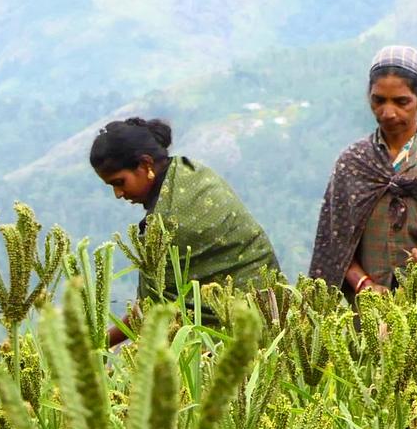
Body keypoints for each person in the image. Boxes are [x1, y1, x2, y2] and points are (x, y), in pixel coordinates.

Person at [309, 45, 417, 298]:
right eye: (379, 100)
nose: (388, 113)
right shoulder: (355, 163)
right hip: (369, 310)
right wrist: (364, 284)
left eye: (402, 102)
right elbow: (335, 244)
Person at [89, 117, 279, 345]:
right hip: (276, 313)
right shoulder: (190, 171)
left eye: (120, 182)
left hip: (237, 338)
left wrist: (98, 344)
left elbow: (152, 310)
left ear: (145, 164)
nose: (118, 194)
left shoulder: (167, 223)